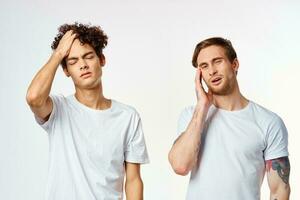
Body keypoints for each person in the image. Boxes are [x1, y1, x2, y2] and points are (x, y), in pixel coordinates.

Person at [26, 22, 149, 200]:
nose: (82, 65)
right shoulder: (59, 109)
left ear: (102, 59)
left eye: (88, 56)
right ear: (66, 71)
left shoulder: (128, 117)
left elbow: (133, 180)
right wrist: (58, 54)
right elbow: (33, 98)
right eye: (73, 61)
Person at [168, 37, 290, 200]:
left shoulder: (268, 122)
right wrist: (202, 107)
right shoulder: (192, 116)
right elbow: (180, 166)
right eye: (204, 66)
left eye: (217, 61)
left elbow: (279, 190)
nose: (212, 71)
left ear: (234, 64)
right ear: (200, 74)